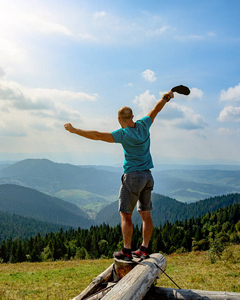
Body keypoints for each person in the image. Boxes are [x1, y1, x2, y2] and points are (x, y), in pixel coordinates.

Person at [64, 90, 174, 260]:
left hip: (132, 176)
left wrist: (75, 130)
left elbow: (98, 135)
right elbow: (155, 109)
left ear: (119, 120)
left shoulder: (123, 134)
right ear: (132, 116)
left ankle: (127, 251)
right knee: (146, 214)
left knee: (126, 214)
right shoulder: (144, 124)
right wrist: (165, 98)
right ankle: (144, 249)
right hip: (147, 176)